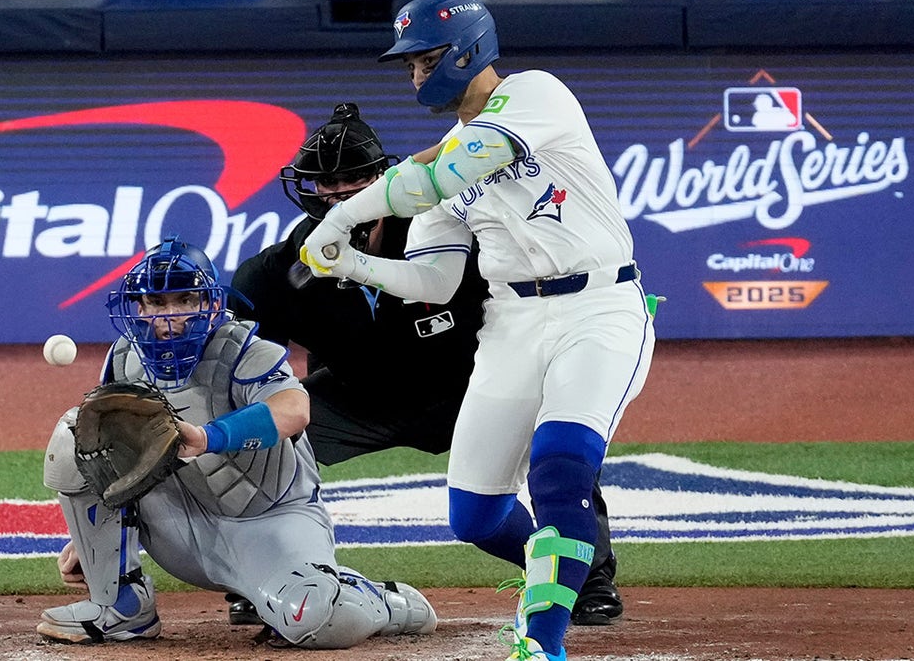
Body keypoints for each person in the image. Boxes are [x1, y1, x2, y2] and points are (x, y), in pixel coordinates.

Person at [298, 0, 656, 661]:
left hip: (598, 309)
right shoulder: (436, 172)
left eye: (425, 59)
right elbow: (433, 280)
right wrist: (356, 263)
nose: (415, 75)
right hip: (512, 322)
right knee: (474, 514)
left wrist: (341, 219)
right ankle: (557, 565)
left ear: (467, 50)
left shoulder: (534, 95)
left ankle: (541, 639)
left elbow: (446, 170)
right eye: (409, 64)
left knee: (559, 468)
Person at [227, 102, 626, 628]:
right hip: (360, 399)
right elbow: (241, 367)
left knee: (553, 443)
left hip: (471, 389)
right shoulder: (276, 272)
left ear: (381, 178)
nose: (337, 192)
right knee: (264, 444)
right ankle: (267, 577)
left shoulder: (443, 229)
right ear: (304, 188)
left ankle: (588, 577)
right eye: (323, 181)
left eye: (353, 178)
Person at [37, 237, 437, 649]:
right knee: (72, 436)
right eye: (157, 302)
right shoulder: (124, 358)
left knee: (313, 619)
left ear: (208, 303)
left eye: (185, 299)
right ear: (139, 308)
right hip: (180, 525)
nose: (170, 315)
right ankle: (120, 606)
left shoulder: (244, 349)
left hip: (269, 522)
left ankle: (377, 598)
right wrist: (97, 542)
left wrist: (211, 437)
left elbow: (294, 409)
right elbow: (116, 459)